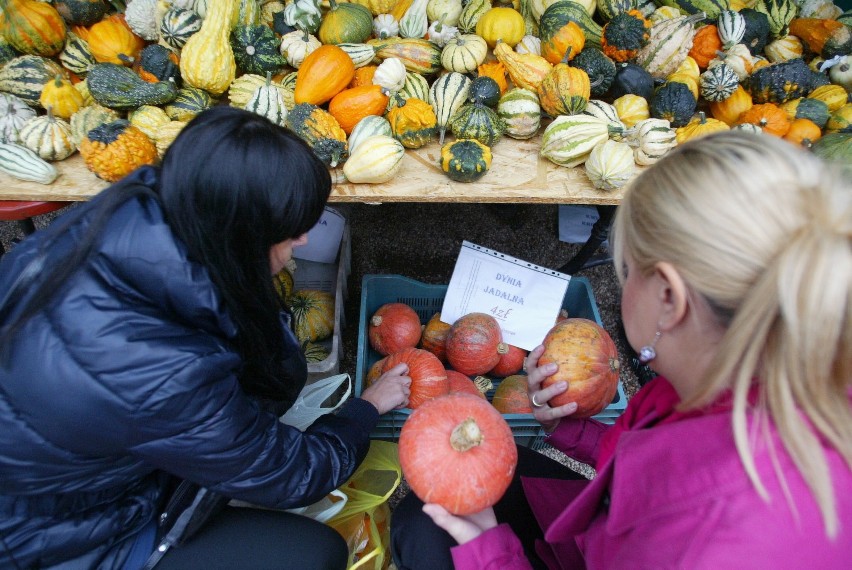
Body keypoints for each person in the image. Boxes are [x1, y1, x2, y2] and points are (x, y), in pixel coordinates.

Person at [391, 131, 852, 569]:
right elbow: (657, 462)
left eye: (626, 270)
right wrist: (573, 431)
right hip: (595, 535)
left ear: (669, 297)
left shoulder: (691, 547)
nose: (621, 282)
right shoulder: (776, 364)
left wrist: (488, 549)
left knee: (422, 528)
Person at [0, 106, 412, 569]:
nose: (301, 241)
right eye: (291, 231)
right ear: (243, 239)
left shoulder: (136, 206)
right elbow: (292, 473)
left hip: (65, 471)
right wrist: (364, 410)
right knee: (314, 554)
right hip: (57, 537)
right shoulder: (162, 370)